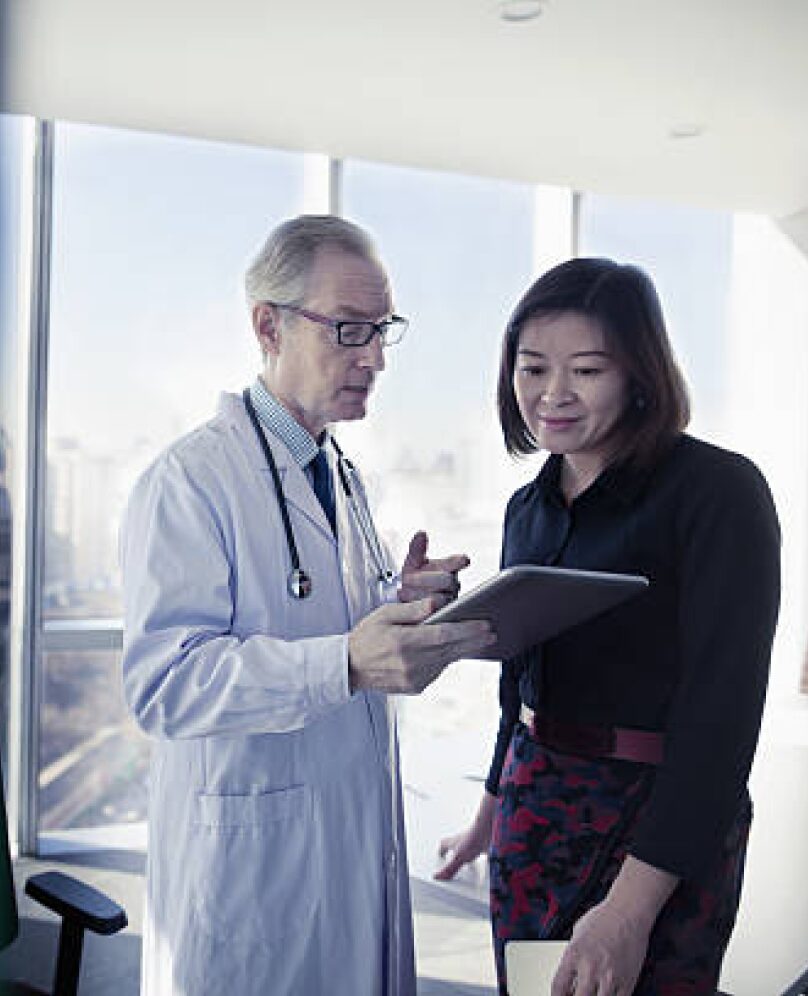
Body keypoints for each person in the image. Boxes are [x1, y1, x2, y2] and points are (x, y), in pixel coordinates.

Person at [120, 214, 494, 996]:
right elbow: (164, 686)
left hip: (349, 842)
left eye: (383, 331)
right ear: (269, 325)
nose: (375, 358)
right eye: (351, 330)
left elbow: (326, 624)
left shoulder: (345, 477)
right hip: (253, 871)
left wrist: (400, 604)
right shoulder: (191, 481)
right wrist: (346, 661)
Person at [435, 257, 780, 996]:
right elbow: (517, 682)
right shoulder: (527, 508)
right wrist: (489, 814)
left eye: (586, 370)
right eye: (532, 368)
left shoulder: (718, 492)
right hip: (534, 807)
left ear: (638, 374)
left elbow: (722, 719)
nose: (552, 394)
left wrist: (628, 908)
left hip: (659, 821)